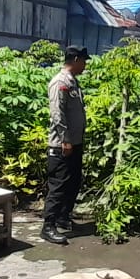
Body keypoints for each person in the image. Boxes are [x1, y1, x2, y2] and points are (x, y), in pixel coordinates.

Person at [42, 45, 89, 245]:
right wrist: (65, 139)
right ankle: (48, 227)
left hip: (74, 143)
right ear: (76, 59)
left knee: (73, 182)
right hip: (62, 145)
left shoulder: (73, 82)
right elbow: (57, 113)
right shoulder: (60, 82)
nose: (85, 65)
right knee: (58, 186)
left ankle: (63, 217)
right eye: (84, 61)